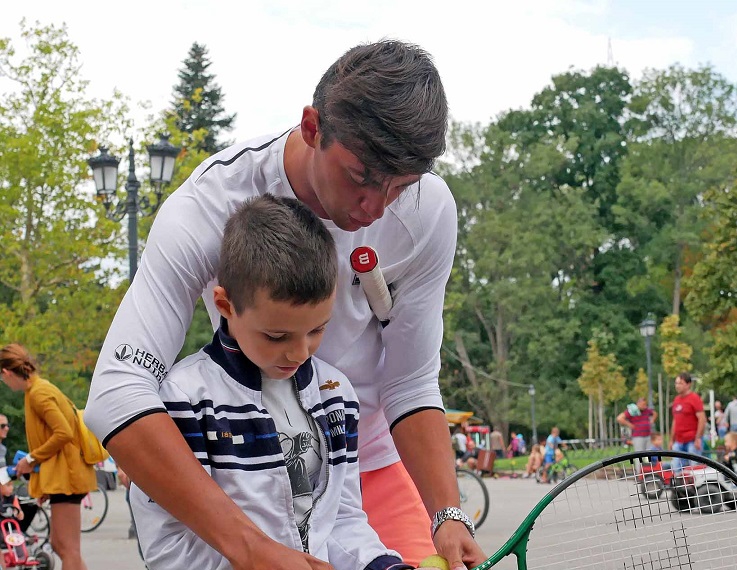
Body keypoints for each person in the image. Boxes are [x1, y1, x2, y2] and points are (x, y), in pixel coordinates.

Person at [84, 40, 485, 570]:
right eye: (360, 177)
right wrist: (252, 548)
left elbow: (410, 381)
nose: (374, 208)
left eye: (400, 187)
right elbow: (117, 392)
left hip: (367, 460)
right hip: (255, 471)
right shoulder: (210, 205)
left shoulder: (428, 211)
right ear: (313, 126)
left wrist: (447, 513)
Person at [129, 195, 408, 570]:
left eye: (316, 330)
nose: (299, 353)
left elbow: (340, 520)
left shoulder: (337, 395)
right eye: (276, 337)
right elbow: (168, 545)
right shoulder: (184, 399)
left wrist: (382, 566)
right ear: (225, 306)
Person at [1, 343, 95, 570]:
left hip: (68, 479)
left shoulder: (38, 393)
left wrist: (30, 459)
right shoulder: (38, 390)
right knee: (62, 545)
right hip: (65, 478)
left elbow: (63, 433)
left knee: (66, 548)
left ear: (6, 372)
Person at [669, 373, 707, 471]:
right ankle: (678, 485)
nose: (677, 386)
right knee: (676, 468)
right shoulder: (676, 400)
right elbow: (675, 420)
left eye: (680, 383)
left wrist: (698, 438)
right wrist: (671, 439)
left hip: (692, 440)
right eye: (676, 383)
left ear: (688, 384)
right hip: (679, 440)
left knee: (693, 469)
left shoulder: (694, 398)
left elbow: (702, 419)